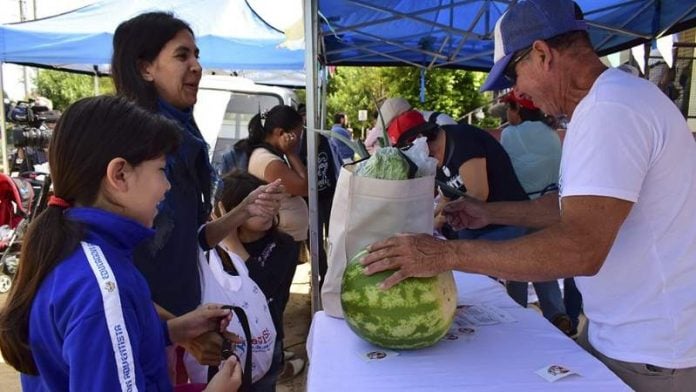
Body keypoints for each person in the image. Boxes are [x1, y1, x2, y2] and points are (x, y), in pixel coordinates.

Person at [362, 1, 696, 390]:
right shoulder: (611, 103)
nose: (515, 91)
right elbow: (574, 210)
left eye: (514, 75)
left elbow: (581, 248)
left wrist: (446, 254)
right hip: (623, 330)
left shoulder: (611, 110)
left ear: (542, 54)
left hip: (651, 349)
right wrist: (492, 213)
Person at [0, 95, 241, 391]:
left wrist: (173, 330)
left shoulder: (77, 252)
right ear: (120, 175)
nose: (166, 187)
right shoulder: (102, 287)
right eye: (161, 170)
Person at [111, 12, 285, 382]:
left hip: (174, 324)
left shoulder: (182, 142)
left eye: (197, 54)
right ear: (145, 68)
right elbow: (116, 275)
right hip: (146, 329)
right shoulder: (138, 150)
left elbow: (188, 241)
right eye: (181, 55)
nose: (197, 66)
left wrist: (241, 212)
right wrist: (179, 331)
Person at [214, 171, 306, 385]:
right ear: (229, 211)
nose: (266, 212)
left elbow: (263, 288)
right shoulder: (213, 248)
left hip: (265, 340)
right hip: (225, 341)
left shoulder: (285, 246)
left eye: (269, 204)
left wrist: (233, 245)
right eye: (255, 207)